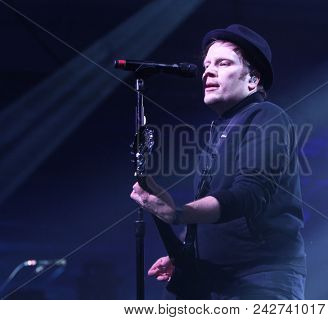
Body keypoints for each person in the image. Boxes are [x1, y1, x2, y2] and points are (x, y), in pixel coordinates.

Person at [130, 24, 306, 299]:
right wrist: (187, 253)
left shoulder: (266, 116)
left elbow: (249, 193)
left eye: (223, 63)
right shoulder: (218, 130)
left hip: (260, 281)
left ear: (253, 80)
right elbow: (218, 216)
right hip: (218, 282)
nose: (208, 71)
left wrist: (178, 212)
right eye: (207, 64)